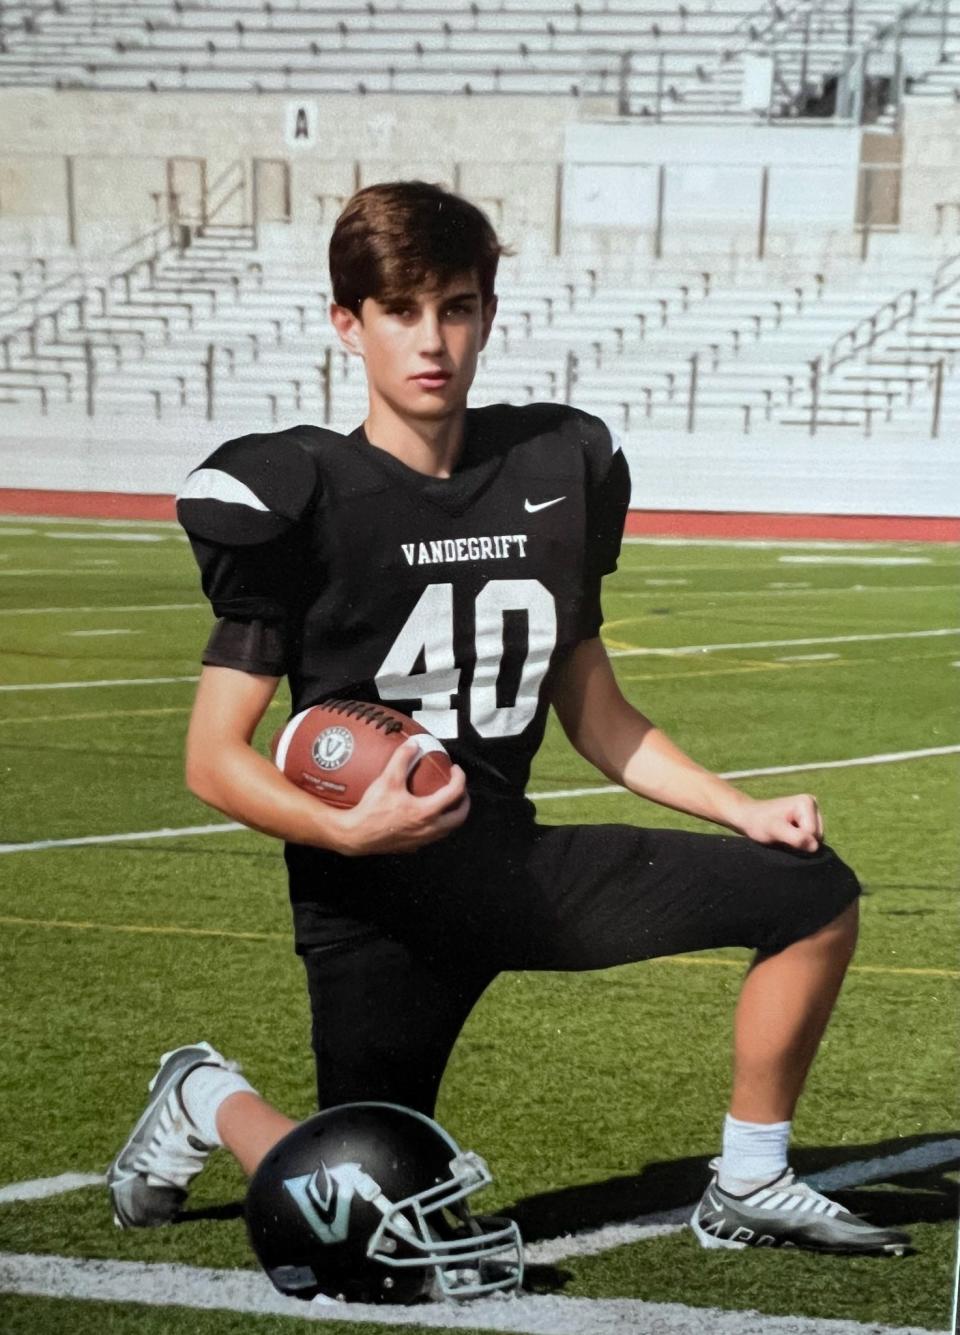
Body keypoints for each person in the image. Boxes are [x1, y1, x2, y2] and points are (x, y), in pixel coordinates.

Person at [109, 181, 909, 1263]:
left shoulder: (556, 466)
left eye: (455, 306)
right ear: (349, 324)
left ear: (488, 313)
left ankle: (753, 1180)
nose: (431, 340)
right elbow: (214, 756)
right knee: (372, 1231)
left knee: (814, 892)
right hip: (372, 904)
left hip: (515, 869)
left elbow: (599, 712)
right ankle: (206, 1095)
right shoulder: (297, 489)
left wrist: (741, 807)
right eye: (400, 310)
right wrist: (349, 833)